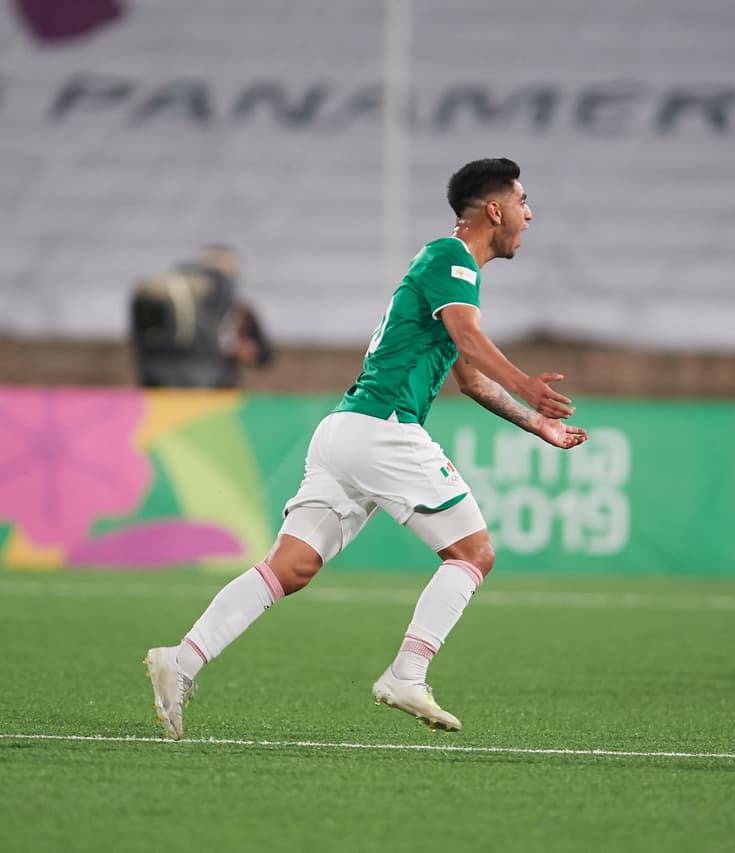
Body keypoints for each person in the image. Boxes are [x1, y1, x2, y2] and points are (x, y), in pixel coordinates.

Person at [145, 158, 588, 738]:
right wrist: (527, 383)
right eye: (523, 202)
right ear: (495, 210)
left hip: (346, 430)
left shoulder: (448, 275)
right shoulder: (450, 258)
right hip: (384, 428)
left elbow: (472, 379)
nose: (530, 215)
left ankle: (181, 660)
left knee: (291, 568)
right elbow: (469, 340)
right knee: (474, 554)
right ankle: (407, 674)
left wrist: (536, 424)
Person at [129, 244, 273, 388]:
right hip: (205, 383)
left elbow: (263, 354)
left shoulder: (167, 293)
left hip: (161, 381)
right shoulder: (233, 308)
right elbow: (262, 355)